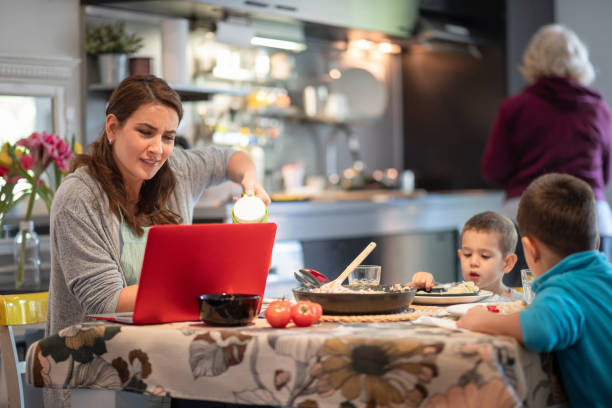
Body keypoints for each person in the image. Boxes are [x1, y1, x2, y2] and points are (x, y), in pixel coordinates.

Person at [47, 75, 270, 336]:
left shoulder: (177, 170)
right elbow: (105, 302)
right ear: (112, 128)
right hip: (89, 357)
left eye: (168, 137)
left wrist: (249, 180)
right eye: (145, 132)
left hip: (165, 344)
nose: (157, 149)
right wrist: (205, 284)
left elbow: (231, 158)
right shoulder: (78, 198)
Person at [457, 173, 612, 407]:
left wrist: (481, 320)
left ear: (530, 248)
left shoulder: (563, 289)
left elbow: (541, 329)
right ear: (596, 242)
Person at [481, 24, 612, 236]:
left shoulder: (516, 107)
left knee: (526, 269)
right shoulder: (599, 109)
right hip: (589, 216)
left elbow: (494, 170)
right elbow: (605, 176)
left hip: (528, 214)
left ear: (533, 60)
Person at [410, 211, 523, 300]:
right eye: (467, 254)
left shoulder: (518, 304)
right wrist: (424, 287)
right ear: (460, 256)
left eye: (484, 256)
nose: (473, 262)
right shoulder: (450, 293)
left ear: (507, 263)